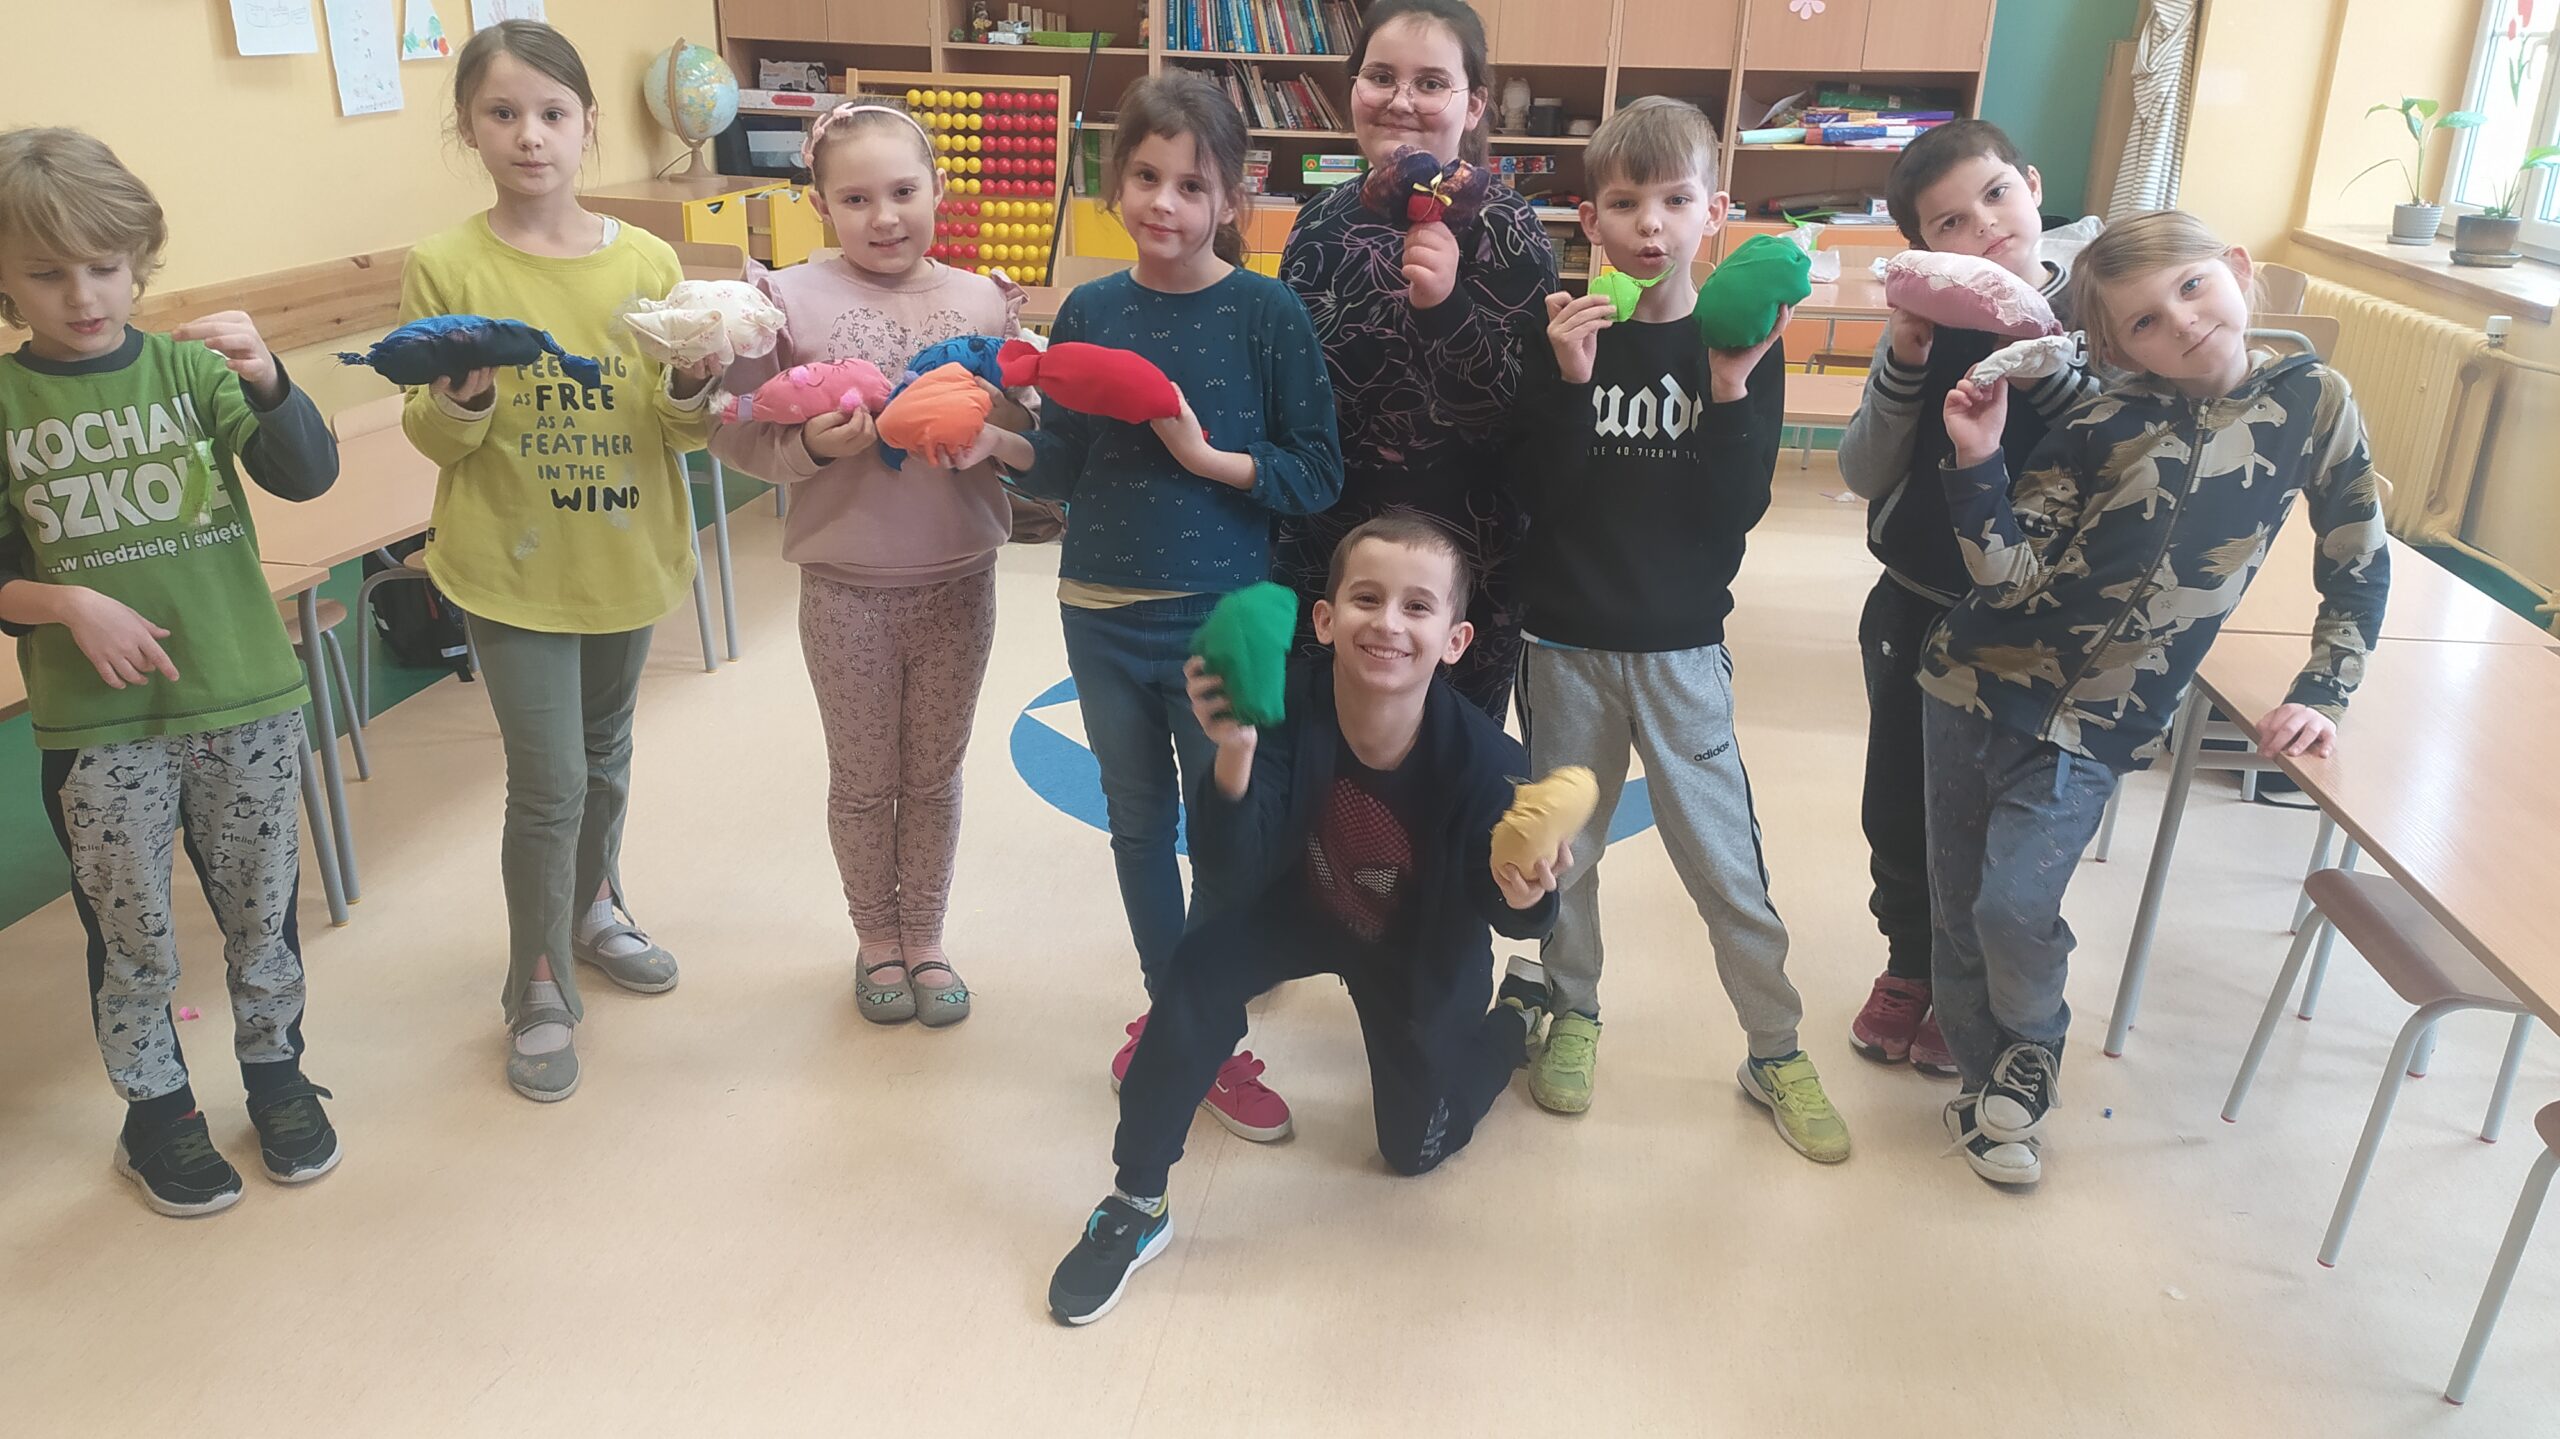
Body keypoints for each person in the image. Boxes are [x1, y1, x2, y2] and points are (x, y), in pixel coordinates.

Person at [1923, 209, 2390, 1188]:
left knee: (2013, 905)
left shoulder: (2313, 399)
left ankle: (2031, 1046)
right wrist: (1976, 460)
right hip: (1970, 686)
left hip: (2100, 722)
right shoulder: (2101, 421)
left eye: (2190, 287)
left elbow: (2357, 552)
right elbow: (2006, 578)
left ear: (2236, 270)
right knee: (1959, 913)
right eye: (2143, 321)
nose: (2179, 323)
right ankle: (1989, 1096)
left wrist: (2325, 687)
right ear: (2115, 346)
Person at [1045, 516, 1568, 1325]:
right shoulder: (1284, 700)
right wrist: (1234, 749)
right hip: (1301, 904)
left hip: (1413, 942)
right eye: (1366, 598)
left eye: (1417, 606)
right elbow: (1228, 868)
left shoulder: (1488, 762)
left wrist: (1526, 892)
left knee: (1414, 1149)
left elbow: (1504, 906)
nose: (1388, 622)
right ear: (1324, 619)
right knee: (1194, 969)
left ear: (1455, 640)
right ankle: (1136, 1199)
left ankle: (1514, 1019)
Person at [977, 73, 1342, 1134]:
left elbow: (1316, 472)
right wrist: (993, 439)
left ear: (1231, 197)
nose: (1165, 203)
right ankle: (1179, 1017)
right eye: (1145, 176)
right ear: (1114, 181)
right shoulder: (1092, 309)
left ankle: (1203, 1021)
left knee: (1231, 834)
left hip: (1219, 614)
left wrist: (1208, 457)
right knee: (1137, 824)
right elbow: (1062, 467)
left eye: (1192, 184)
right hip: (1096, 608)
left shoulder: (1265, 312)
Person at [0, 126, 342, 1215]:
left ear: (139, 259)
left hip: (242, 698)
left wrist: (271, 378)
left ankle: (277, 1076)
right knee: (130, 934)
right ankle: (156, 1110)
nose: (82, 295)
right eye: (46, 274)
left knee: (261, 913)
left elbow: (305, 473)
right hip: (99, 728)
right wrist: (66, 602)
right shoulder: (6, 403)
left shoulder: (191, 370)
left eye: (104, 266)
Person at [1504, 97, 1848, 1162]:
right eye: (1624, 203)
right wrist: (1571, 384)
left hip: (1683, 649)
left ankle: (1774, 1046)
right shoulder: (1565, 332)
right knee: (1565, 852)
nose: (1649, 224)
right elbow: (1537, 498)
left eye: (1674, 200)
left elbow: (1735, 510)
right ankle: (1574, 1007)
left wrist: (1732, 386)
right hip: (1563, 645)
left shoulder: (1739, 338)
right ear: (1589, 218)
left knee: (1724, 862)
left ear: (1715, 211)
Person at [401, 21, 719, 1100]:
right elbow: (434, 436)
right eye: (502, 114)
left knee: (605, 756)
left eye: (551, 113)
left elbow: (676, 428)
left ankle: (591, 906)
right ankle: (534, 982)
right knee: (549, 784)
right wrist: (463, 397)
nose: (529, 136)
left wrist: (694, 383)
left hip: (623, 551)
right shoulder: (447, 266)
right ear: (468, 129)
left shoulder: (647, 261)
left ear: (587, 123)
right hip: (510, 565)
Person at [710, 104, 1029, 1026]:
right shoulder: (784, 301)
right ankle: (875, 938)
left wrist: (996, 433)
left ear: (939, 190)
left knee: (933, 775)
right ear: (820, 205)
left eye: (903, 191)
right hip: (845, 588)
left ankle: (925, 935)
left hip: (958, 581)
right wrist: (811, 445)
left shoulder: (982, 302)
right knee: (862, 780)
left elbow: (1026, 429)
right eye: (855, 199)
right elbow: (735, 430)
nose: (884, 217)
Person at [1834, 118, 2102, 1077]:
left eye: (1996, 195)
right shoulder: (1932, 317)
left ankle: (1972, 984)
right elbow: (1862, 470)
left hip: (2039, 629)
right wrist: (1906, 360)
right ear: (1921, 244)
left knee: (2000, 818)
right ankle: (1911, 963)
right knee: (1899, 802)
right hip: (1918, 601)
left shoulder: (2107, 312)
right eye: (1949, 222)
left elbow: (2119, 466)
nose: (1983, 227)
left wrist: (2047, 358)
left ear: (2033, 185)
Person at [1275, 0, 1557, 719]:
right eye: (1380, 77)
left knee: (1448, 764)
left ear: (1474, 104)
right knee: (1319, 750)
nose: (1400, 101)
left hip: (1463, 571)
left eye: (1431, 83)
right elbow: (1293, 397)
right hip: (1328, 555)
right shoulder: (1318, 222)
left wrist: (1446, 308)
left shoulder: (1510, 227)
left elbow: (1522, 419)